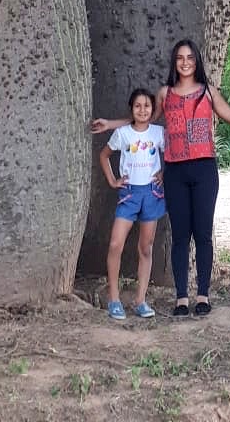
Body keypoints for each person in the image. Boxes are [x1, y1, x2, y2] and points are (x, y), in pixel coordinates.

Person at [92, 40, 230, 317]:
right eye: (180, 58)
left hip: (204, 170)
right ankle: (182, 298)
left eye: (189, 58)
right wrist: (111, 125)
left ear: (196, 61)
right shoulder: (165, 93)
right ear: (174, 62)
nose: (185, 62)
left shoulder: (207, 92)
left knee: (203, 234)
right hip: (174, 172)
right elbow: (142, 121)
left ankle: (202, 295)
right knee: (180, 236)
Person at [99, 88, 166, 321]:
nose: (142, 110)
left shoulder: (159, 133)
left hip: (152, 193)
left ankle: (140, 300)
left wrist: (164, 174)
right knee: (116, 244)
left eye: (147, 105)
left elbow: (173, 156)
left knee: (145, 248)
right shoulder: (123, 133)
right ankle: (114, 299)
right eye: (137, 106)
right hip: (128, 195)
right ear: (131, 109)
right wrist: (112, 180)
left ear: (152, 109)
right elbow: (104, 155)